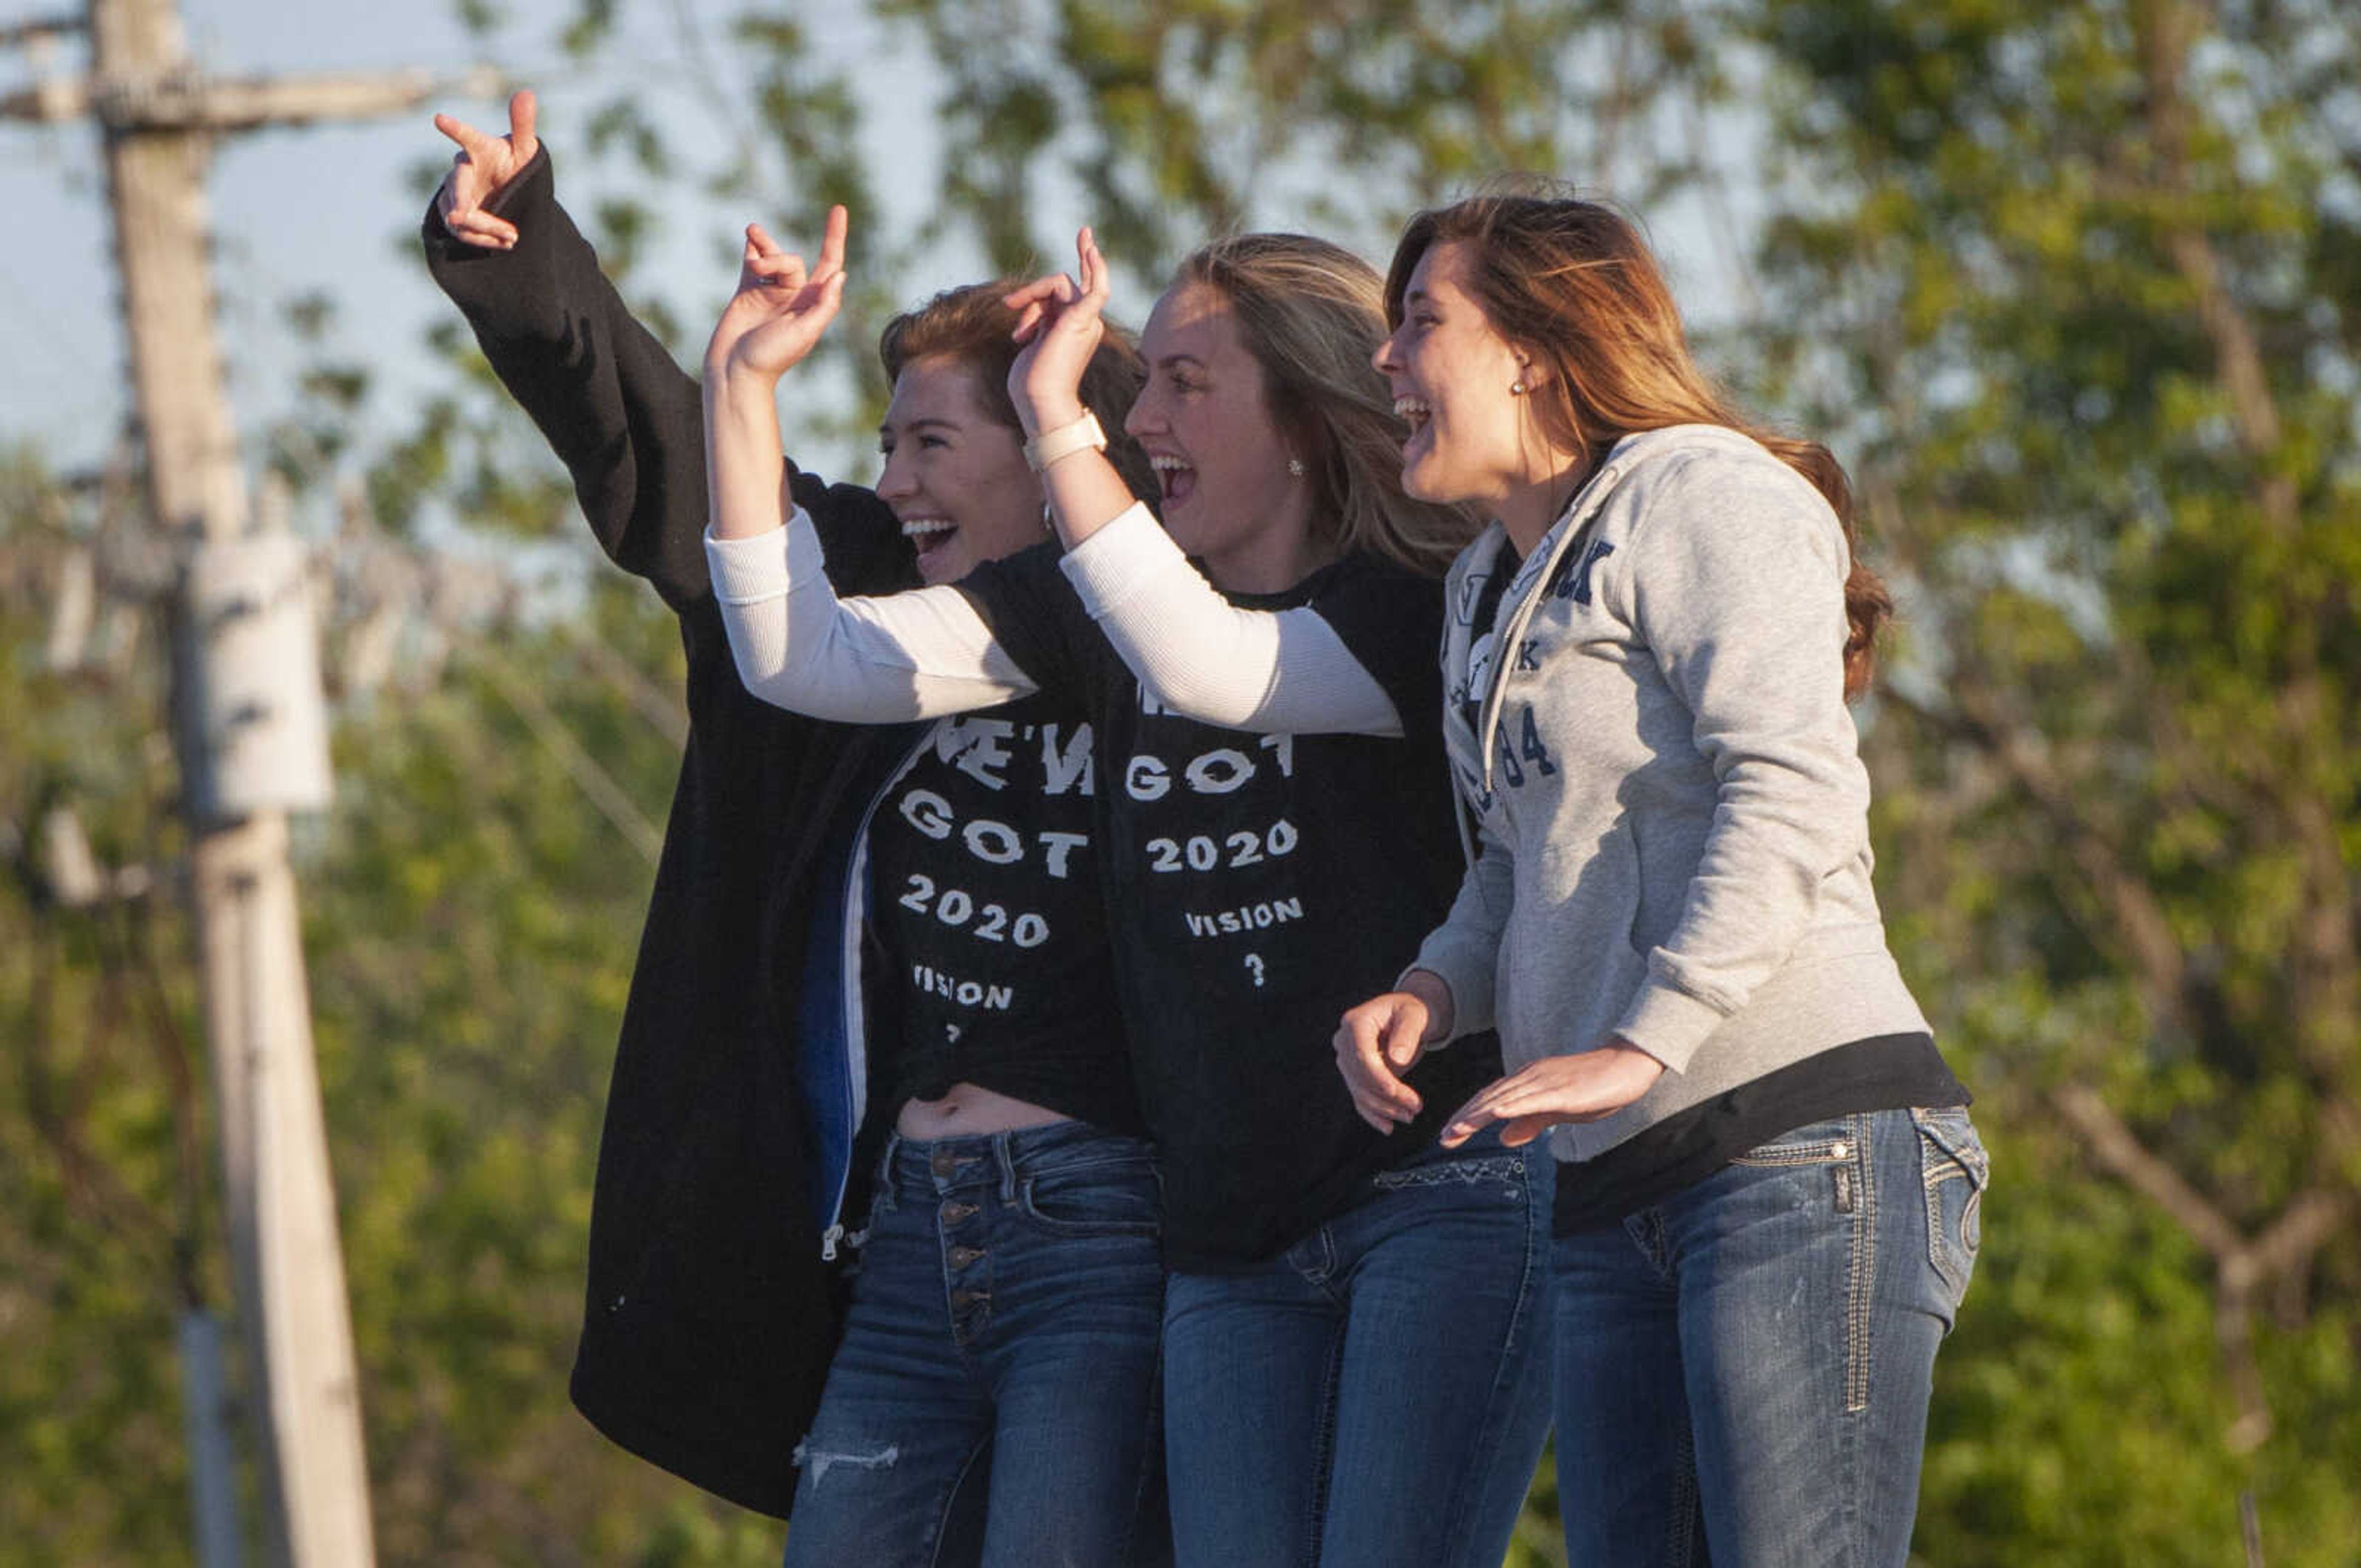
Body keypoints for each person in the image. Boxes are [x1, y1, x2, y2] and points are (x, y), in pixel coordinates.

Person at [702, 227, 1556, 1568]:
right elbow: (800, 656)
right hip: (1224, 1241)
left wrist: (1055, 421)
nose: (1141, 416)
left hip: (1429, 1196)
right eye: (1134, 380)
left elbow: (1213, 661)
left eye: (1184, 381)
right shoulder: (1099, 605)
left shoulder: (1410, 605)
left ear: (1302, 415)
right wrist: (740, 388)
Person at [425, 93, 1172, 1567]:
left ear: (1046, 442)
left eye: (930, 444)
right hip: (894, 1237)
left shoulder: (1179, 629)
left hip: (1115, 1240)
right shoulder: (851, 593)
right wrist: (530, 252)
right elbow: (654, 443)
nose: (893, 479)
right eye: (884, 444)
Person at [1316, 192, 1989, 1567]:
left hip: (1799, 1153)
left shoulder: (1705, 494)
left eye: (1420, 323)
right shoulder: (1480, 586)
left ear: (1536, 348)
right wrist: (1434, 990)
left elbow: (1792, 784)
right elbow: (1520, 853)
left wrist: (1644, 1036)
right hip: (1610, 1191)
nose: (1386, 362)